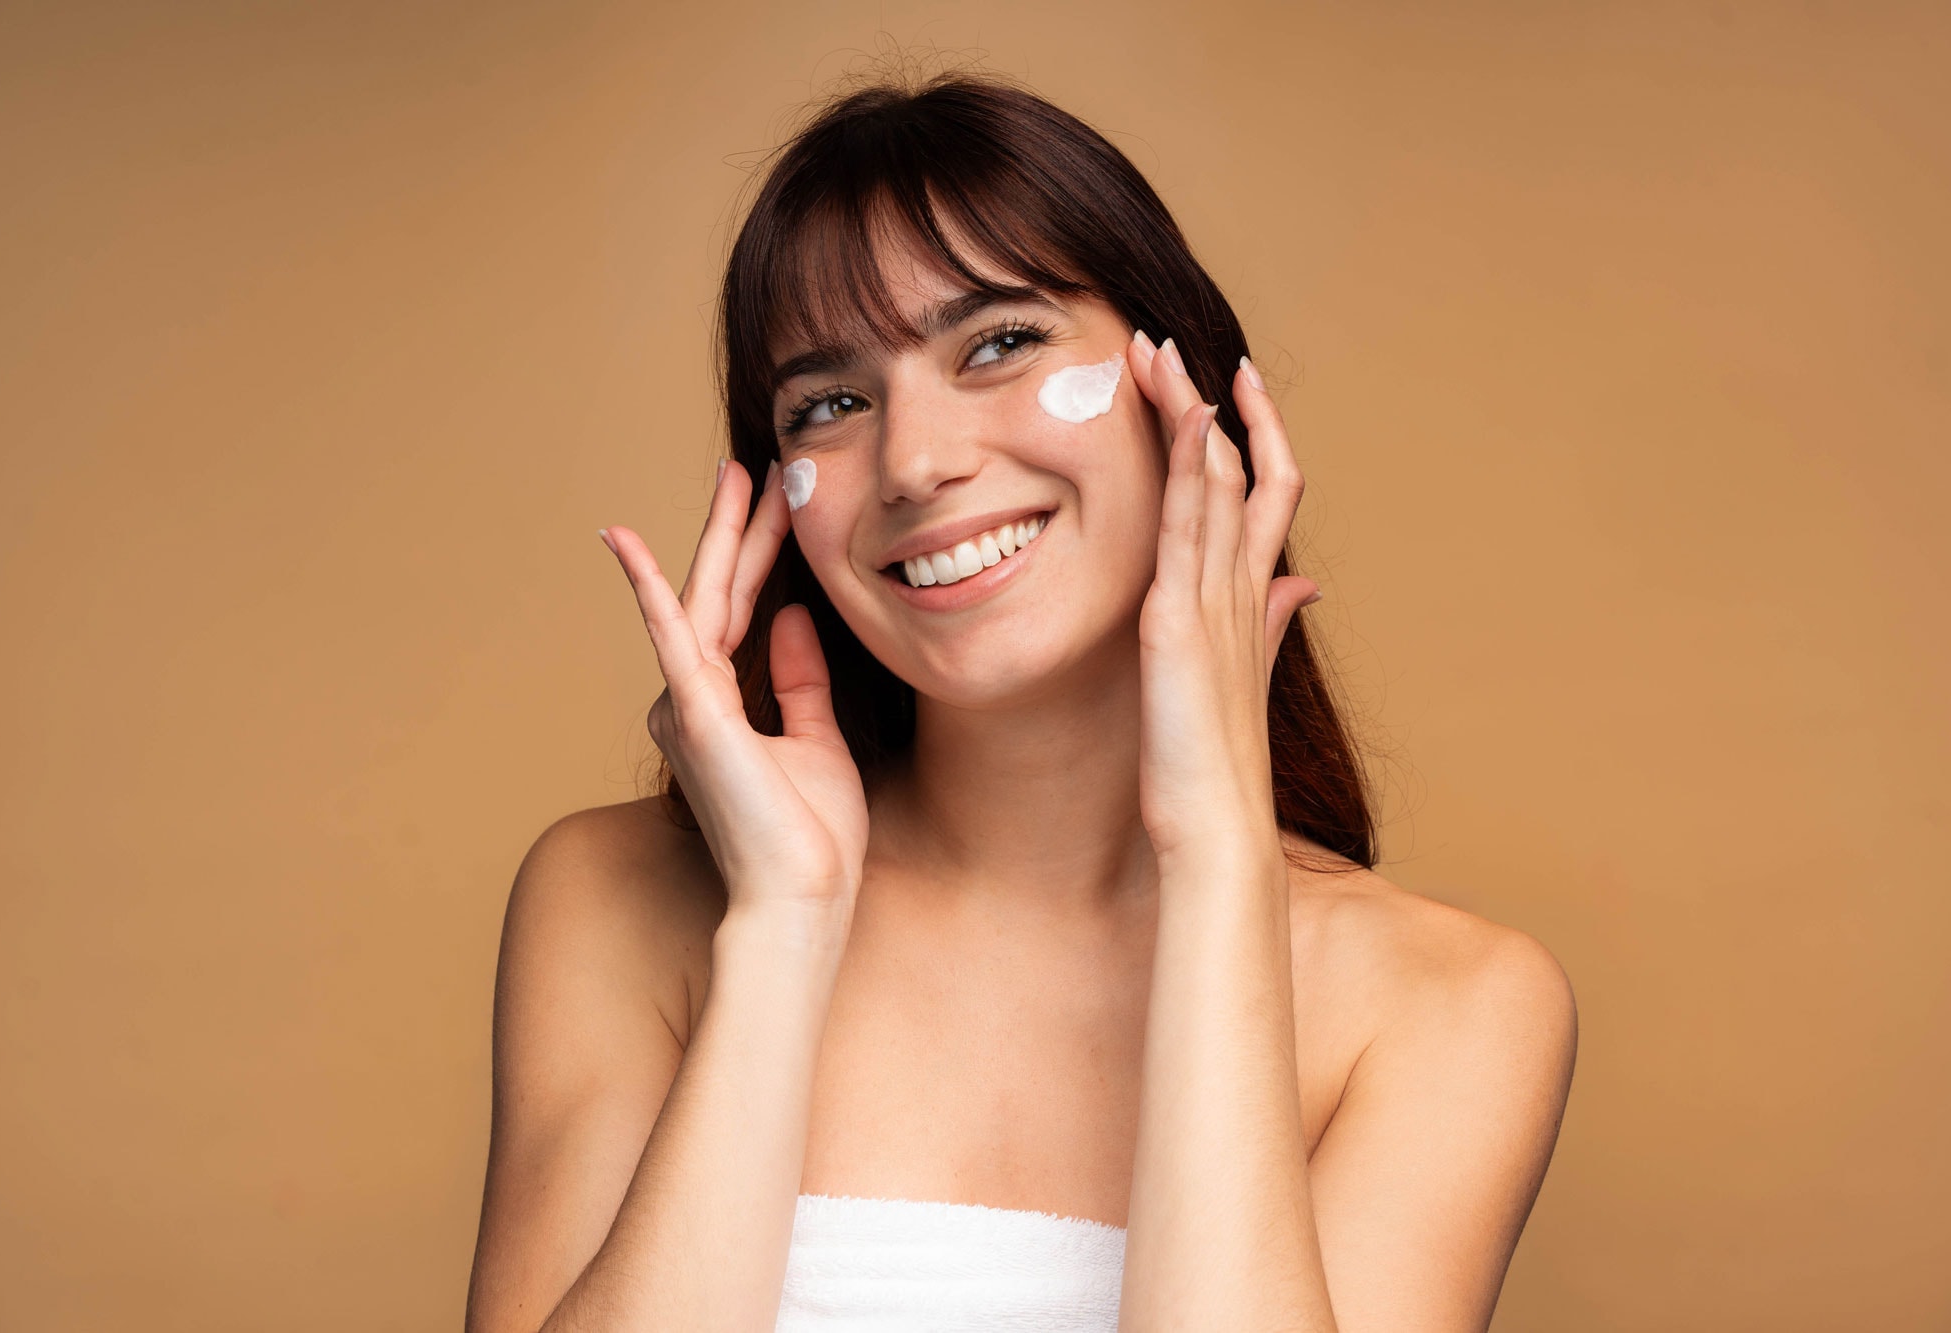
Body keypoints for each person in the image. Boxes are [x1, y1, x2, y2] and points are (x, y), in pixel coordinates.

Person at [465, 71, 1577, 1332]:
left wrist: (1216, 861)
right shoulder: (615, 900)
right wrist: (780, 927)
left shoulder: (1447, 1004)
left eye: (997, 343)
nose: (914, 461)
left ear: (1185, 389)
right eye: (830, 404)